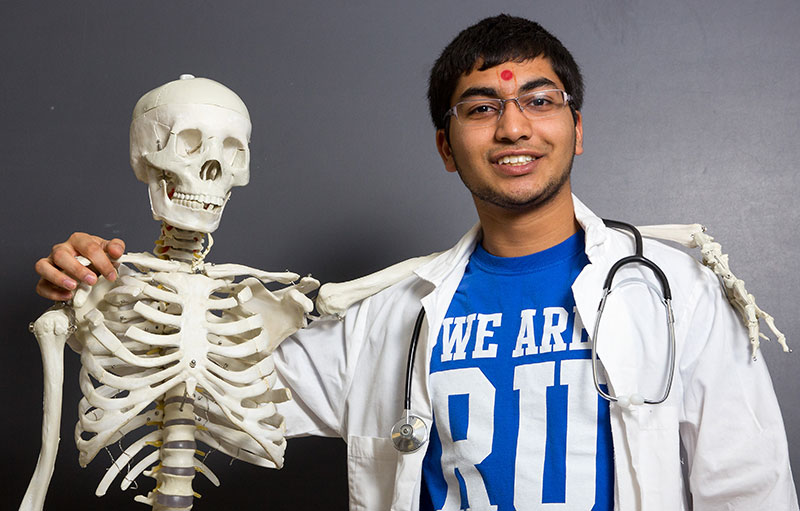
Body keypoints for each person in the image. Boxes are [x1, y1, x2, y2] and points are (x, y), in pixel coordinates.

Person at [33, 14, 797, 511]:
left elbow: (751, 492)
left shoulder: (679, 295)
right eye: (480, 107)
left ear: (576, 127)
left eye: (540, 99)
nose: (513, 126)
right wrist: (106, 293)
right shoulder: (383, 315)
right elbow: (198, 396)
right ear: (445, 145)